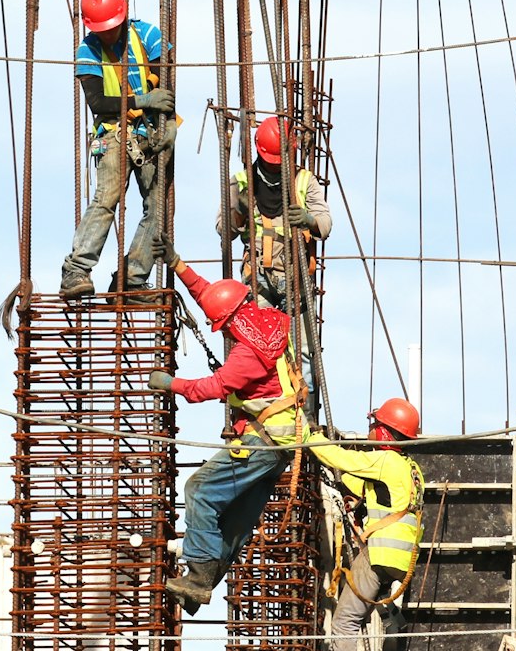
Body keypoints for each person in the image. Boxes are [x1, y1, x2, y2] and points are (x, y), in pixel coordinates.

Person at [154, 259, 301, 610]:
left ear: (231, 321)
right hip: (280, 443)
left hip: (262, 440)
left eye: (222, 327)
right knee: (235, 521)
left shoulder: (248, 352)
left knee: (199, 490)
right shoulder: (265, 322)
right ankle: (201, 584)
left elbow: (216, 386)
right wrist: (178, 265)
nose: (222, 332)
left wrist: (171, 384)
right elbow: (213, 295)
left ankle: (200, 575)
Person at [60, 0, 172, 300]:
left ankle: (133, 279)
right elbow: (98, 102)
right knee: (106, 200)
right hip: (113, 135)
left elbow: (165, 81)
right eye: (102, 29)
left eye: (112, 27)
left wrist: (169, 118)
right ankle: (76, 270)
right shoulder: (87, 51)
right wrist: (142, 100)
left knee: (158, 209)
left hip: (149, 135)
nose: (108, 34)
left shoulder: (148, 35)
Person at [319, 399, 426, 651]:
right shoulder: (411, 469)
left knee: (345, 622)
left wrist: (309, 437)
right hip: (402, 559)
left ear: (385, 431)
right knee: (389, 618)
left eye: (375, 424)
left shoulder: (385, 460)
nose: (371, 429)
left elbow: (339, 457)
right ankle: (394, 620)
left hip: (381, 553)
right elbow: (376, 492)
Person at [216, 114, 332, 308]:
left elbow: (325, 223)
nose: (276, 165)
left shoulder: (304, 180)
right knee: (262, 336)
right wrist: (240, 213)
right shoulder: (242, 182)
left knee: (302, 339)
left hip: (297, 278)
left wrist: (309, 221)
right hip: (259, 279)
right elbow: (224, 232)